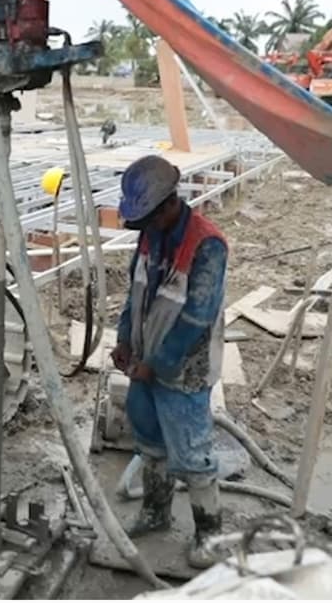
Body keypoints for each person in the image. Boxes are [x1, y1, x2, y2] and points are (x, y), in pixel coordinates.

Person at [110, 154, 229, 569]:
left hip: (184, 369)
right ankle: (156, 512)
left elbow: (197, 317)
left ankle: (210, 533)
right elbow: (135, 293)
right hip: (145, 361)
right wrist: (125, 339)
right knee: (149, 442)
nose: (140, 229)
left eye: (146, 219)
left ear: (167, 206)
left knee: (193, 454)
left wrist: (158, 364)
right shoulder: (149, 235)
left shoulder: (207, 245)